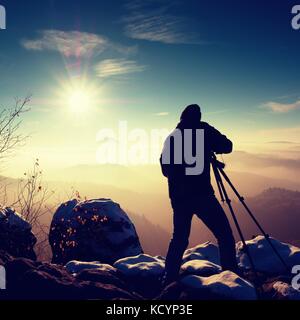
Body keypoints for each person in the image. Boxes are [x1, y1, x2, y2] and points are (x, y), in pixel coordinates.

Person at [160, 104, 238, 285]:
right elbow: (227, 146)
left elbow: (165, 169)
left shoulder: (172, 137)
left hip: (179, 198)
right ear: (198, 117)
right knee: (225, 235)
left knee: (179, 238)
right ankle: (231, 277)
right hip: (202, 195)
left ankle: (168, 277)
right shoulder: (204, 131)